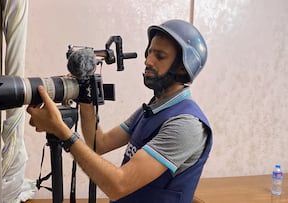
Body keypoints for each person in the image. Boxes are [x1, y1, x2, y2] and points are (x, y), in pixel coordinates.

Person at [27, 19, 212, 203]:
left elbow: (118, 185)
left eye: (160, 56)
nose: (148, 61)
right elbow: (98, 144)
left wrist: (61, 131)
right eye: (149, 53)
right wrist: (85, 95)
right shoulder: (150, 110)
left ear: (182, 67)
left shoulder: (186, 125)